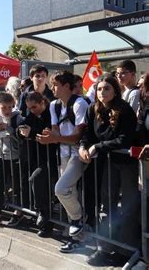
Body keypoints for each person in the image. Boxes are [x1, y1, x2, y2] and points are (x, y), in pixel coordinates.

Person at [79, 75, 139, 267]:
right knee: (107, 205)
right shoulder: (92, 108)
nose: (102, 92)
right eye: (99, 89)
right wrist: (83, 147)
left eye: (106, 89)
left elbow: (124, 140)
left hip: (125, 163)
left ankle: (126, 249)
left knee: (128, 207)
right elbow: (86, 135)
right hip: (107, 164)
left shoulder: (125, 110)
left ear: (115, 90)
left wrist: (98, 147)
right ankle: (105, 247)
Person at [36, 71, 89, 253]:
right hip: (64, 154)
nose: (53, 88)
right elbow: (55, 133)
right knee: (69, 193)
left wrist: (53, 139)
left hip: (79, 155)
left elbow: (78, 136)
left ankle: (77, 220)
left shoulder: (80, 103)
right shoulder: (54, 105)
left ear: (67, 86)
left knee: (61, 189)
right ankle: (76, 238)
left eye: (56, 85)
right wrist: (48, 138)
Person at [18, 92, 58, 237]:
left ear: (42, 102)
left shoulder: (52, 113)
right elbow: (21, 126)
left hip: (52, 158)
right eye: (29, 108)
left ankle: (44, 215)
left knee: (37, 180)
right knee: (41, 188)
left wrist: (32, 133)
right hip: (37, 158)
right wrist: (22, 131)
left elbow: (49, 135)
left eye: (34, 107)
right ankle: (45, 223)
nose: (32, 111)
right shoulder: (32, 115)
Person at [0, 92, 24, 227]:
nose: (7, 110)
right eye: (4, 107)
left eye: (10, 107)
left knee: (17, 185)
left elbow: (22, 135)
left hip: (15, 155)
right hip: (0, 154)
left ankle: (18, 213)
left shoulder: (17, 117)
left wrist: (9, 128)